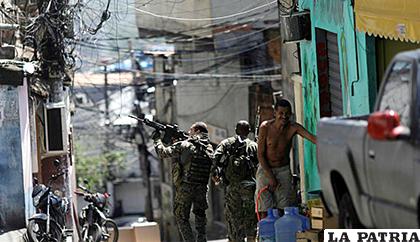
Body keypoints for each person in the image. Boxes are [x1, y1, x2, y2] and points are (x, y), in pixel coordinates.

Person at [153, 122, 214, 242]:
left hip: (186, 186)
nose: (189, 131)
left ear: (197, 131)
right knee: (200, 215)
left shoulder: (185, 145)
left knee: (181, 217)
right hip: (202, 187)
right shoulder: (209, 148)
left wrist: (157, 140)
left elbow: (162, 153)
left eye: (191, 129)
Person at [255, 99, 316, 217]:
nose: (284, 116)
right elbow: (260, 154)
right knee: (264, 208)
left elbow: (312, 138)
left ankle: (282, 233)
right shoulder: (265, 127)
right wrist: (270, 176)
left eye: (287, 113)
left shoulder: (293, 128)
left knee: (284, 207)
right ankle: (266, 234)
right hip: (265, 169)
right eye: (281, 113)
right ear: (275, 113)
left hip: (283, 171)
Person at [212, 120, 258, 242]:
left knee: (233, 220)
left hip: (232, 188)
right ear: (248, 131)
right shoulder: (253, 146)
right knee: (250, 219)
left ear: (236, 130)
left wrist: (215, 176)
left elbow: (214, 159)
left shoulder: (226, 143)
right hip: (249, 188)